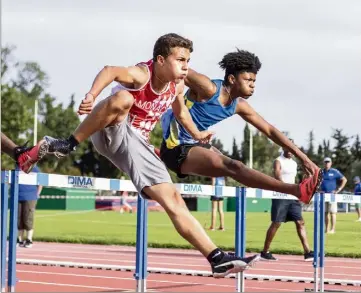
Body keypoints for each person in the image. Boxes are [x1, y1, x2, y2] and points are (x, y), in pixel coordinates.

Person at [35, 34, 259, 277]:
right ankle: (69, 143)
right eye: (180, 60)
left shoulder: (177, 87)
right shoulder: (143, 74)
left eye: (188, 60)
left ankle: (216, 258)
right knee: (123, 98)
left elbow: (182, 114)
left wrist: (198, 135)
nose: (186, 66)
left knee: (172, 197)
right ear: (161, 60)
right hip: (111, 130)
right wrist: (91, 95)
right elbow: (110, 70)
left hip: (136, 145)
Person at [160, 49, 322, 205]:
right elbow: (179, 69)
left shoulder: (239, 105)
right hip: (174, 147)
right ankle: (297, 191)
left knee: (234, 166)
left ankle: (298, 191)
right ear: (232, 79)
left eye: (254, 81)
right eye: (248, 80)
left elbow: (270, 130)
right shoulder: (208, 88)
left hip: (196, 144)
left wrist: (305, 159)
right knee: (234, 166)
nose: (252, 85)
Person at [260, 144, 313, 261]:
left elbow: (295, 179)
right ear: (283, 148)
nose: (290, 151)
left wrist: (306, 178)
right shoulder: (278, 161)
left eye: (292, 149)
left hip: (292, 197)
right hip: (281, 195)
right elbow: (277, 174)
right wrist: (285, 188)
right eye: (288, 148)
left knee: (300, 222)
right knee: (277, 223)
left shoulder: (294, 163)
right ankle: (265, 252)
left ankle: (308, 252)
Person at [320, 157, 347, 234]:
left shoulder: (335, 171)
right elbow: (316, 182)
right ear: (323, 163)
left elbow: (344, 180)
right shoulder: (321, 172)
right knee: (325, 212)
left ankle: (333, 229)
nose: (327, 163)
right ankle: (327, 229)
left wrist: (338, 189)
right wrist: (318, 190)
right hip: (323, 195)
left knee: (332, 212)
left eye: (328, 162)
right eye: (325, 162)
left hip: (332, 195)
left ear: (331, 163)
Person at [17, 165, 42, 248]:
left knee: (28, 219)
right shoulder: (18, 167)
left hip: (30, 197)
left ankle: (29, 240)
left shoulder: (34, 168)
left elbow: (40, 182)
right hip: (17, 196)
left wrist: (37, 194)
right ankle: (20, 240)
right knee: (18, 220)